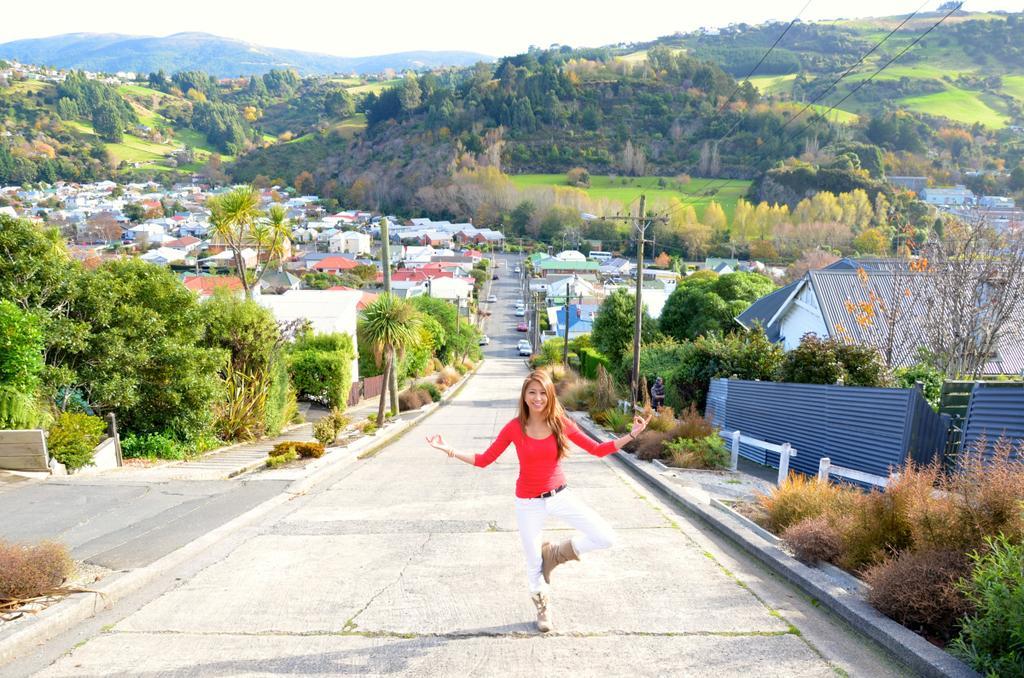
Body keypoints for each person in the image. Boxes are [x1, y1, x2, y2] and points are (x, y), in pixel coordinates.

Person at [426, 369, 650, 633]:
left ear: (550, 395)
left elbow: (597, 449)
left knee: (605, 536)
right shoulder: (514, 428)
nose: (538, 398)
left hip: (559, 495)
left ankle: (555, 554)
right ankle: (543, 607)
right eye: (532, 392)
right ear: (524, 396)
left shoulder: (561, 423)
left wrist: (632, 434)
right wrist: (449, 450)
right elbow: (485, 460)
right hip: (528, 502)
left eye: (543, 392)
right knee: (533, 564)